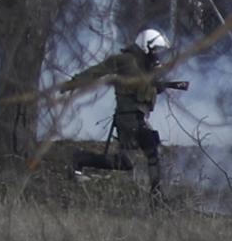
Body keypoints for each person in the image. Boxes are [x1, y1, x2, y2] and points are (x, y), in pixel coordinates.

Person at [60, 28, 185, 200]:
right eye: (155, 50)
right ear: (145, 46)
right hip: (128, 118)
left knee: (125, 163)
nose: (157, 54)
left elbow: (147, 89)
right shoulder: (125, 61)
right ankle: (156, 197)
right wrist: (73, 83)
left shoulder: (147, 67)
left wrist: (159, 86)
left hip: (137, 117)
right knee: (151, 147)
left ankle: (80, 159)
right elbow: (97, 71)